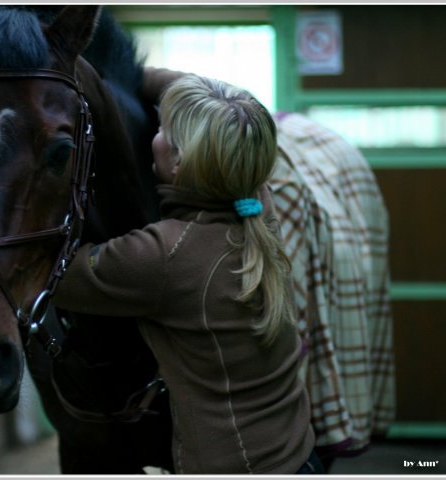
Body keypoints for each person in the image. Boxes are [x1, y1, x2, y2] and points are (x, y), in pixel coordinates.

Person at [53, 74, 323, 474]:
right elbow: (243, 106)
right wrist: (120, 76)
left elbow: (50, 275)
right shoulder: (257, 205)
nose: (154, 131)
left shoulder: (161, 256)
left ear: (179, 161)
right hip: (298, 456)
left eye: (162, 128)